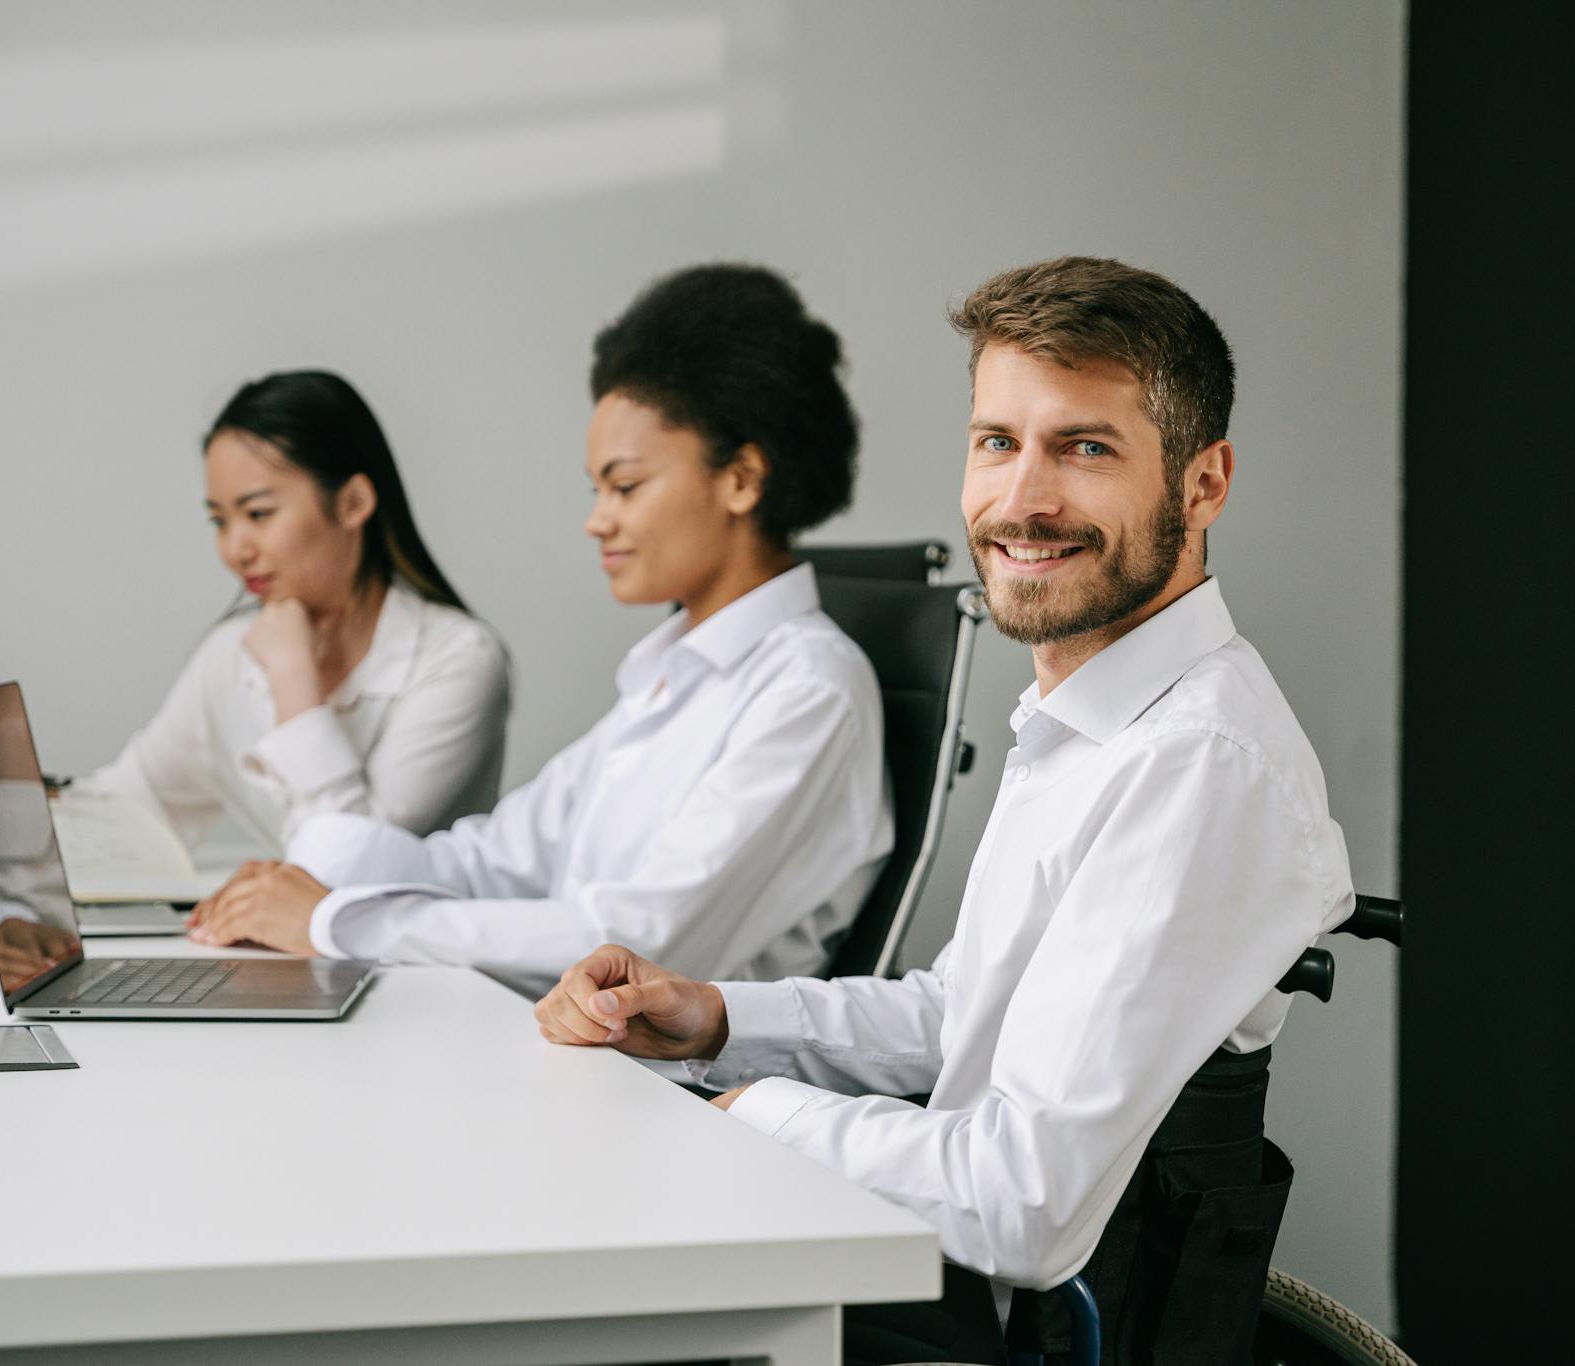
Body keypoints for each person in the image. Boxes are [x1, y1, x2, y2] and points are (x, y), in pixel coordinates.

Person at [533, 257, 1357, 1364]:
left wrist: (744, 1117)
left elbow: (1022, 1203)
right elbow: (963, 1012)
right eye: (995, 441)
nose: (1021, 499)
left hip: (1020, 1335)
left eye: (1085, 447)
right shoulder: (1087, 714)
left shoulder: (1195, 764)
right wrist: (716, 1021)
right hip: (946, 1292)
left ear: (1203, 485)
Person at [185, 264, 894, 1001]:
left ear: (742, 479)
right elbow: (491, 860)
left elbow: (633, 944)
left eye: (625, 486)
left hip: (669, 1094)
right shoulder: (671, 680)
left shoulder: (809, 692)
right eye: (596, 491)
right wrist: (310, 874)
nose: (597, 519)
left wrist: (337, 922)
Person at [0, 371, 511, 850]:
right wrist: (0, 796)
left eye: (258, 514)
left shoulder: (460, 659)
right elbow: (132, 812)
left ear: (353, 502)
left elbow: (349, 867)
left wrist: (292, 677)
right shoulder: (230, 655)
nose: (235, 549)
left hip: (428, 979)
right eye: (219, 521)